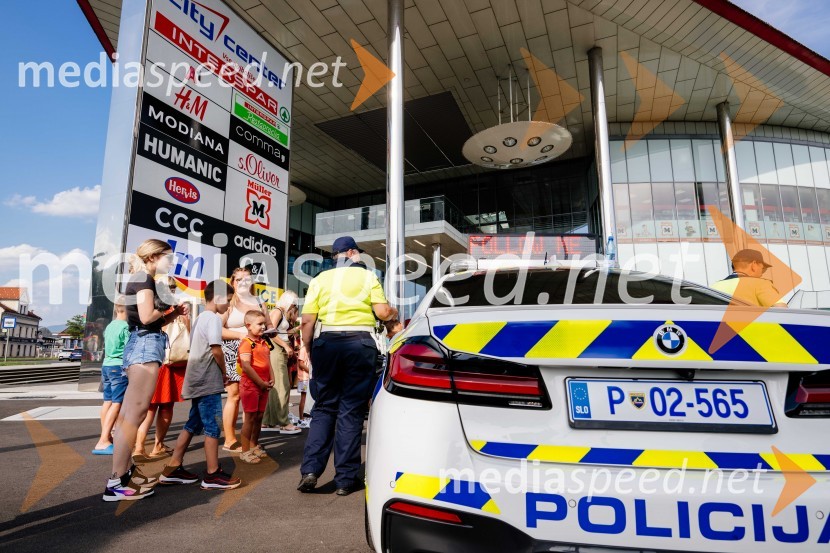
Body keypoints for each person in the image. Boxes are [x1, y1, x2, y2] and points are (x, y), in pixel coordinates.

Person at [297, 236, 397, 496]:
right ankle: (344, 479)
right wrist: (393, 313)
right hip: (359, 344)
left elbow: (307, 320)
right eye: (358, 253)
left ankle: (310, 471)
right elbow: (383, 313)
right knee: (350, 410)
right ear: (352, 253)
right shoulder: (368, 277)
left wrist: (307, 348)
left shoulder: (319, 280)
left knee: (324, 408)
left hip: (326, 344)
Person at [103, 239, 188, 502]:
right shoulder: (144, 278)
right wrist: (171, 309)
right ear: (153, 256)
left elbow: (148, 318)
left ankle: (122, 476)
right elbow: (146, 316)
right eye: (168, 257)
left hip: (141, 344)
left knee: (131, 414)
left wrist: (172, 315)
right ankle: (116, 482)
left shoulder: (141, 277)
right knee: (133, 416)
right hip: (144, 345)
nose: (171, 262)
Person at [159, 280, 241, 490]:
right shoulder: (213, 319)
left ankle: (173, 466)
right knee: (212, 425)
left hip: (196, 378)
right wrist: (225, 372)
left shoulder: (200, 318)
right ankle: (212, 473)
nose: (229, 306)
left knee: (193, 423)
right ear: (220, 298)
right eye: (229, 301)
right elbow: (216, 349)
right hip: (207, 380)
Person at [134, 280, 190, 460]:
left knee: (149, 408)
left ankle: (139, 446)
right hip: (170, 363)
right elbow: (187, 337)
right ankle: (157, 445)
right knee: (165, 407)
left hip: (152, 361)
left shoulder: (148, 309)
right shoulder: (176, 310)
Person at [220, 267, 269, 454]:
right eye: (239, 279)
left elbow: (269, 326)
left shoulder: (259, 301)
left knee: (254, 397)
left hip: (257, 353)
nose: (243, 282)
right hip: (233, 351)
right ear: (233, 282)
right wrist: (242, 335)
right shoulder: (229, 302)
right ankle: (230, 439)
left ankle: (250, 441)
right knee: (235, 395)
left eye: (247, 278)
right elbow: (218, 329)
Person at [93, 297, 130, 455]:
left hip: (106, 366)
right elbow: (129, 349)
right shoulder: (125, 327)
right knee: (117, 403)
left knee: (107, 402)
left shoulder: (110, 326)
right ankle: (103, 440)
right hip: (118, 366)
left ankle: (106, 436)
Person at [237, 310, 274, 464]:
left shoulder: (263, 342)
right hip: (251, 385)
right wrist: (260, 382)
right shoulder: (246, 343)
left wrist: (272, 377)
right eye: (259, 324)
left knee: (259, 417)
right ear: (248, 326)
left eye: (264, 323)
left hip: (263, 385)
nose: (263, 327)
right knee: (250, 418)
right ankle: (245, 451)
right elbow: (246, 366)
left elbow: (267, 361)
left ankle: (254, 446)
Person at [263, 291, 301, 434]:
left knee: (276, 386)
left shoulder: (280, 312)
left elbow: (278, 331)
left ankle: (268, 421)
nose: (294, 306)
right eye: (293, 302)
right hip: (277, 350)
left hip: (279, 350)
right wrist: (285, 345)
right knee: (282, 386)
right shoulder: (278, 311)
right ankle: (283, 422)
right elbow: (270, 332)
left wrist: (295, 331)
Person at [712, 248, 787, 308]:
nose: (762, 273)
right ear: (754, 264)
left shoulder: (714, 286)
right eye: (762, 267)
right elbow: (782, 312)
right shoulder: (760, 284)